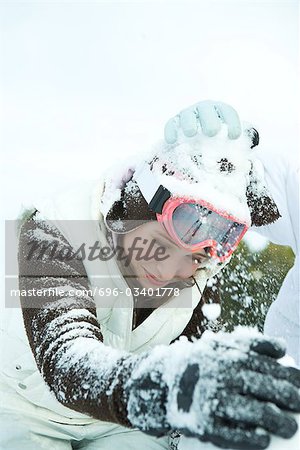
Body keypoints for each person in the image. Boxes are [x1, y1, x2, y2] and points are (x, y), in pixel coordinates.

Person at [0, 100, 299, 450]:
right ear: (133, 210)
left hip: (117, 424)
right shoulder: (52, 232)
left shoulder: (202, 273)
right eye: (159, 244)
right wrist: (167, 386)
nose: (173, 272)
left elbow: (191, 352)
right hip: (24, 411)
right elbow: (67, 361)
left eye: (196, 259)